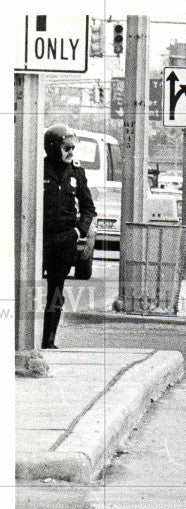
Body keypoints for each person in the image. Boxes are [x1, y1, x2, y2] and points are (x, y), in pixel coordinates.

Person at [42, 124, 96, 350]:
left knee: (56, 291)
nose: (71, 152)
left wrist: (78, 231)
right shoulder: (39, 169)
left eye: (73, 148)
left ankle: (48, 341)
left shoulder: (76, 172)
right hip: (40, 238)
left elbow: (88, 208)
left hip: (65, 239)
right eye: (67, 147)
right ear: (54, 147)